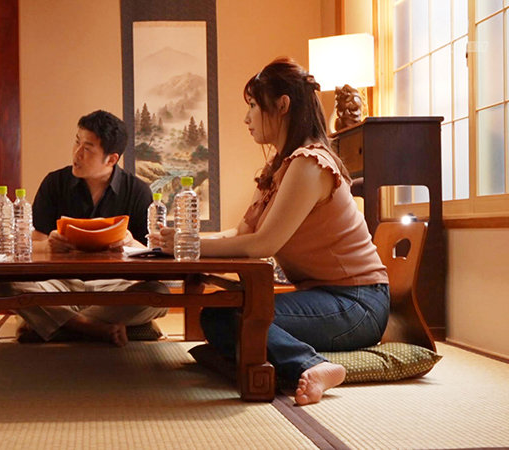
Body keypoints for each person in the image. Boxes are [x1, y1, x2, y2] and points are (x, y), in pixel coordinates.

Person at [151, 58, 390, 405]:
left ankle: (312, 365)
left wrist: (188, 245)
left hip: (356, 304)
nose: (246, 118)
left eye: (252, 105)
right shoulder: (280, 165)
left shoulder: (310, 164)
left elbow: (262, 245)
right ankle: (265, 360)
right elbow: (240, 232)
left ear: (282, 105)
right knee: (219, 314)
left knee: (232, 317)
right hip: (324, 297)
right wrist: (181, 239)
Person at [0, 110, 168, 347]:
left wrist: (130, 244)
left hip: (115, 286)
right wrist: (48, 245)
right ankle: (91, 327)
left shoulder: (137, 191)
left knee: (159, 294)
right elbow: (32, 246)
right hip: (59, 284)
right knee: (5, 287)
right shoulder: (54, 183)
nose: (76, 153)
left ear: (111, 159)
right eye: (77, 142)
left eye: (87, 148)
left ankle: (60, 323)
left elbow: (153, 257)